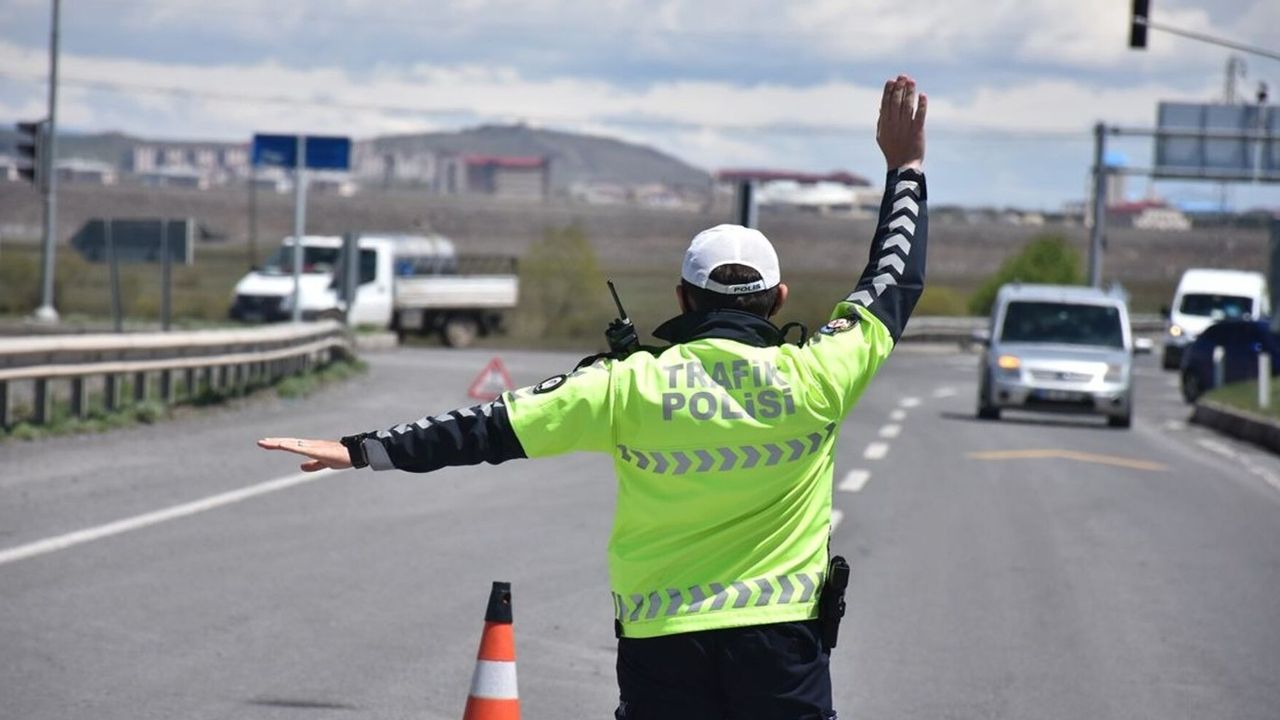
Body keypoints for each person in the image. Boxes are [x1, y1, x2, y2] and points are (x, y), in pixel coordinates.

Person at [259, 74, 928, 720]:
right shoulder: (820, 374)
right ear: (778, 299)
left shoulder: (623, 386)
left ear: (681, 300)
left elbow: (486, 428)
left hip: (662, 645)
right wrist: (906, 168)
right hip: (784, 649)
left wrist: (363, 449)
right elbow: (891, 280)